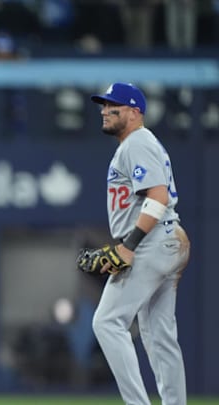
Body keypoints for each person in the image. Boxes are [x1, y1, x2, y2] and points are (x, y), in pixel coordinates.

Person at [89, 82, 190, 405]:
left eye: (113, 106)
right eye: (103, 105)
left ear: (134, 112)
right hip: (164, 238)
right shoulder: (138, 143)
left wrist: (128, 246)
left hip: (150, 239)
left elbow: (158, 198)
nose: (105, 111)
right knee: (159, 336)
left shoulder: (137, 142)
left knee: (107, 322)